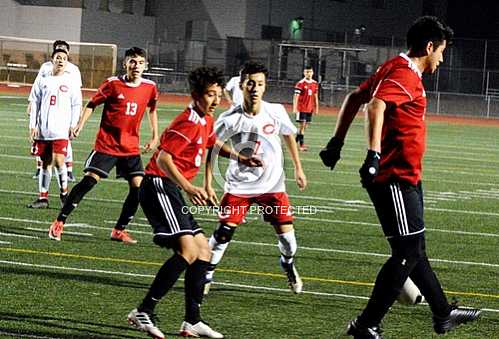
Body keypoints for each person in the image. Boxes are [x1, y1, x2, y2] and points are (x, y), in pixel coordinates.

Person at [319, 16, 481, 338]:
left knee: (415, 249)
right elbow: (375, 106)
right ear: (429, 46)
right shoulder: (405, 74)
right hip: (395, 177)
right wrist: (373, 156)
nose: (442, 59)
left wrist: (336, 143)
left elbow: (355, 97)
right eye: (442, 52)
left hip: (406, 176)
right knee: (407, 253)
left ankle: (443, 312)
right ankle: (366, 324)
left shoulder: (395, 67)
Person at [127, 66, 235, 339]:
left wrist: (239, 159)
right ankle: (143, 311)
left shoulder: (206, 119)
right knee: (188, 250)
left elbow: (212, 146)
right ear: (196, 95)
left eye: (218, 95)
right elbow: (163, 159)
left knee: (203, 252)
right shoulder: (187, 120)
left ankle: (192, 321)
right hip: (158, 186)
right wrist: (189, 186)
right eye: (210, 95)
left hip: (171, 190)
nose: (216, 101)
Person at [204, 61, 307, 295]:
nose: (255, 88)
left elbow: (289, 135)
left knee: (290, 243)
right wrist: (208, 182)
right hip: (239, 185)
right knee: (223, 234)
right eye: (250, 83)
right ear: (241, 86)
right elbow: (211, 145)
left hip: (272, 186)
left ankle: (287, 264)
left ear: (264, 87)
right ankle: (207, 273)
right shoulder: (230, 118)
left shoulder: (276, 111)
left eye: (259, 84)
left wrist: (298, 168)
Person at [47, 47, 159, 244]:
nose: (136, 66)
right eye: (132, 61)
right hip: (107, 145)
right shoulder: (112, 83)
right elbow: (92, 104)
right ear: (125, 64)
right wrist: (79, 125)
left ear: (146, 66)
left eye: (141, 62)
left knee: (139, 189)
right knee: (89, 181)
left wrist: (155, 135)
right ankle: (59, 222)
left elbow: (152, 109)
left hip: (130, 147)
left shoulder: (150, 87)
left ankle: (119, 230)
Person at [27, 48, 82, 209]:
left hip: (61, 130)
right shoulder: (43, 80)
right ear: (52, 60)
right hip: (44, 129)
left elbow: (76, 104)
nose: (61, 60)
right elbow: (34, 103)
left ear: (67, 61)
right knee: (45, 163)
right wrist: (32, 126)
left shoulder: (71, 81)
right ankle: (43, 198)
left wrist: (73, 125)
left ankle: (64, 194)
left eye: (64, 58)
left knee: (59, 161)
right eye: (58, 57)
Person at [293, 64, 319, 151]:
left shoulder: (315, 83)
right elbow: (296, 96)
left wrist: (316, 107)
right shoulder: (300, 83)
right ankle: (301, 146)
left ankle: (294, 142)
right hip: (301, 108)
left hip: (309, 108)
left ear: (313, 73)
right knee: (302, 126)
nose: (309, 73)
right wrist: (295, 108)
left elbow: (315, 96)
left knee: (304, 127)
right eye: (307, 72)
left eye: (310, 72)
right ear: (304, 73)